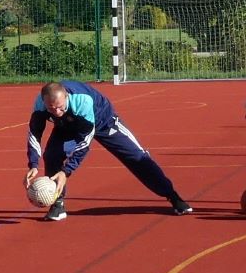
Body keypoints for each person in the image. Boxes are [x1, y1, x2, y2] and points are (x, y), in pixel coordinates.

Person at [26, 79, 194, 221]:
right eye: (51, 109)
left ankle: (173, 196)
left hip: (103, 123)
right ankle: (57, 205)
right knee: (52, 155)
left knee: (137, 157)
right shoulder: (41, 104)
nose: (56, 112)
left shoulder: (82, 101)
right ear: (44, 102)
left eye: (60, 107)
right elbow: (34, 132)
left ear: (67, 97)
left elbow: (84, 143)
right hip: (68, 127)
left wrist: (66, 171)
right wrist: (33, 164)